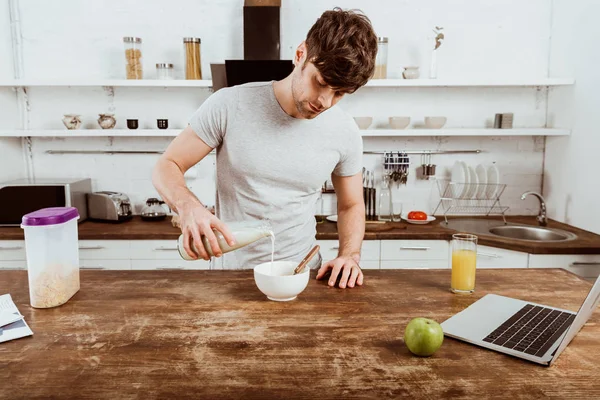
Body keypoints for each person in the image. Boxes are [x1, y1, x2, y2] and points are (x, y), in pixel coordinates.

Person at [152, 8, 378, 289]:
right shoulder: (229, 105)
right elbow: (167, 165)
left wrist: (350, 256)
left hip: (303, 275)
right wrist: (189, 209)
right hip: (231, 277)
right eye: (320, 83)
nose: (326, 102)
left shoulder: (345, 130)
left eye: (340, 93)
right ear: (300, 55)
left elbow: (351, 204)